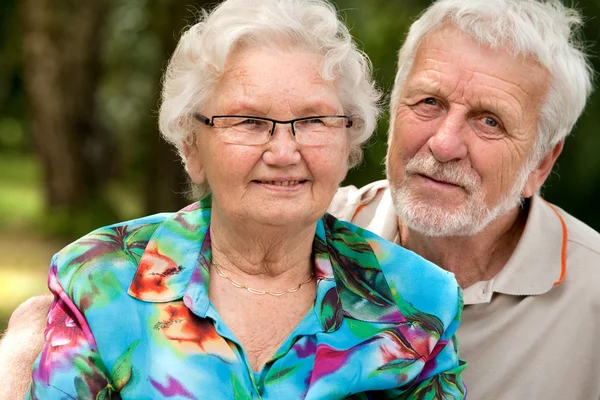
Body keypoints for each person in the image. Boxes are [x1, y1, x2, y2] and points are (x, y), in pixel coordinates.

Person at [13, 0, 466, 398]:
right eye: (249, 121)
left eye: (313, 120)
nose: (285, 153)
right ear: (192, 147)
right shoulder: (101, 279)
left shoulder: (417, 303)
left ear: (349, 144)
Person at [329, 0, 600, 399]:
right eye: (429, 102)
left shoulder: (592, 295)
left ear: (540, 163)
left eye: (489, 120)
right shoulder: (297, 236)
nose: (443, 144)